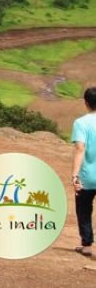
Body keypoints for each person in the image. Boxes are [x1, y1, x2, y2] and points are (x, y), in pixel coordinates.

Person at [72, 87, 96, 256]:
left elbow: (80, 148)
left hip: (87, 177)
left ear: (86, 103)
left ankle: (87, 245)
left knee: (84, 209)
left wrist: (75, 174)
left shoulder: (81, 123)